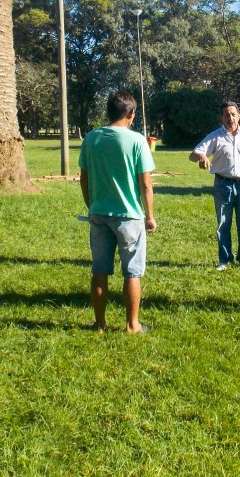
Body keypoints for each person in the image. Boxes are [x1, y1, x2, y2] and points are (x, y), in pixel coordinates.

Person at [79, 91, 157, 334]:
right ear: (131, 113)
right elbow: (145, 183)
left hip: (99, 213)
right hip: (129, 216)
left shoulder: (91, 139)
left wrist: (91, 204)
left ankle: (100, 324)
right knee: (132, 271)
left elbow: (84, 178)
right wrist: (150, 215)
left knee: (100, 270)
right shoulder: (136, 141)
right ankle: (132, 325)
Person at [189, 101, 240, 273]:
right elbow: (193, 155)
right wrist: (201, 156)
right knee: (223, 224)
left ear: (239, 115)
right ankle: (224, 259)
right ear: (221, 117)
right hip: (223, 185)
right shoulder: (215, 136)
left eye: (233, 114)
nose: (230, 118)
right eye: (226, 115)